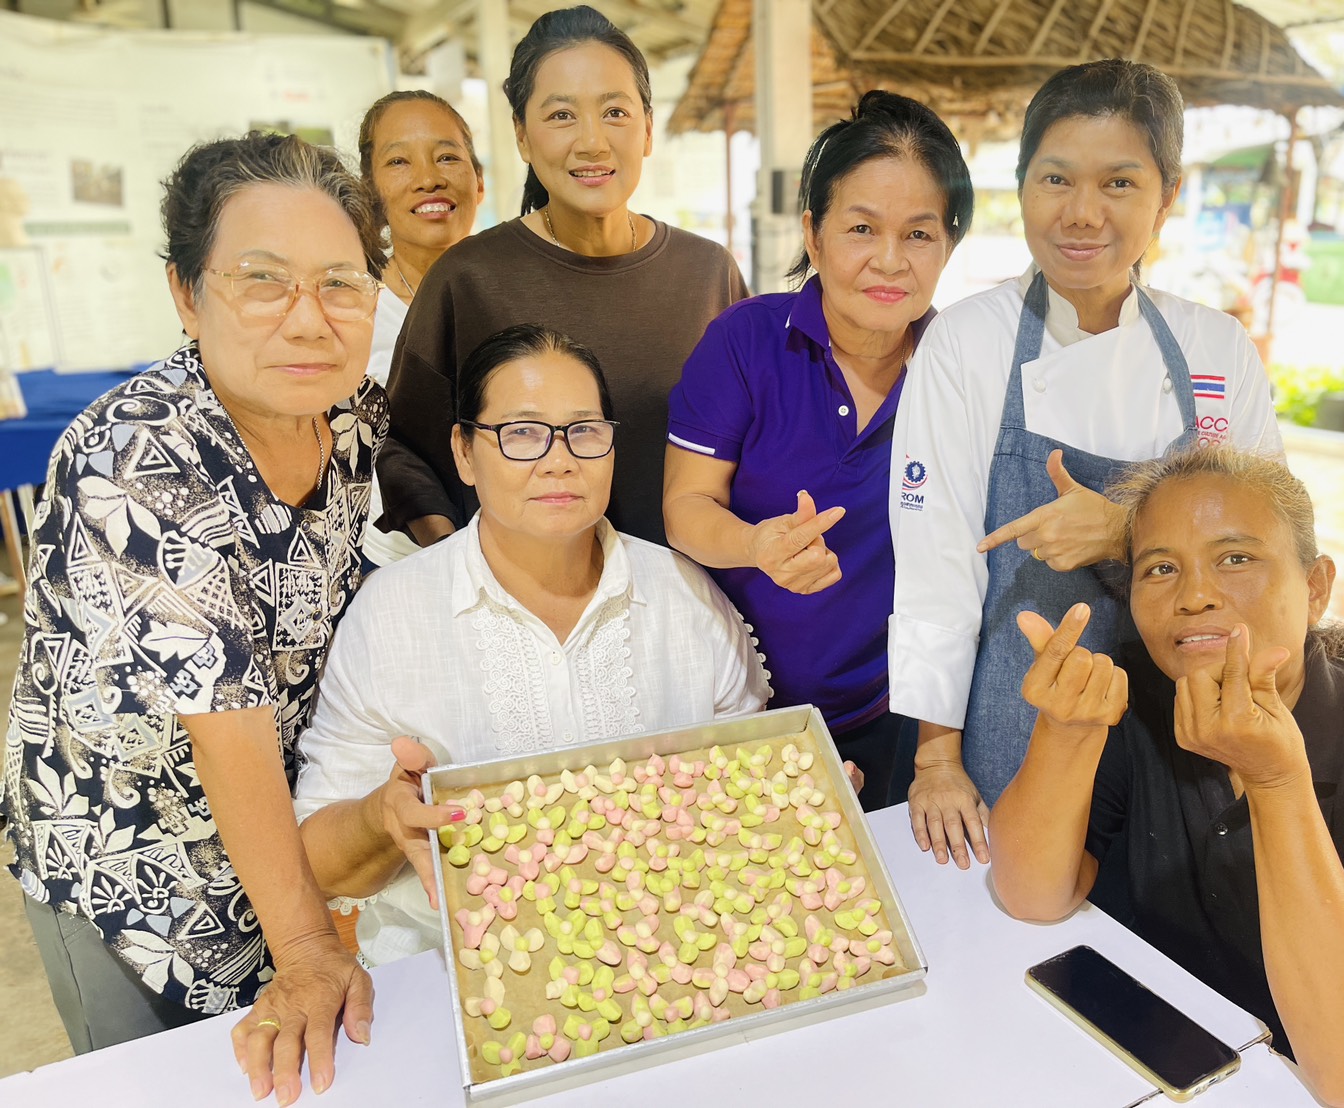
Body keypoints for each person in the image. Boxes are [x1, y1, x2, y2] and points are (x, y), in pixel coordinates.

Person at [1, 133, 387, 1105]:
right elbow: (225, 736)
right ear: (185, 292)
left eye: (340, 283)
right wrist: (303, 942)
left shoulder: (351, 415)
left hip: (273, 840)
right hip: (130, 872)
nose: (309, 320)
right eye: (263, 281)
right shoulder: (133, 460)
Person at [988, 446, 1344, 1107]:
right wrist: (1065, 732)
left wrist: (1274, 781)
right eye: (1159, 568)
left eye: (1235, 559)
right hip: (1202, 1068)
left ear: (1314, 587)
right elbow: (1030, 895)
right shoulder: (1142, 702)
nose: (1193, 596)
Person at [890, 59, 1283, 867]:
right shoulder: (969, 341)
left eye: (1118, 184)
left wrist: (1128, 532)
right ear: (1022, 183)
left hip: (1188, 719)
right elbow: (935, 560)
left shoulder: (1213, 347)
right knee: (1026, 923)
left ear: (1166, 197)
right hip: (1020, 714)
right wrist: (935, 757)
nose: (1080, 214)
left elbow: (1267, 544)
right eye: (1055, 178)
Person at [292, 323, 771, 963]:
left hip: (671, 960)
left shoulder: (685, 596)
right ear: (463, 451)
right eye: (520, 433)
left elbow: (744, 784)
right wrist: (384, 818)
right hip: (449, 969)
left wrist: (791, 800)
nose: (559, 459)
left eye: (585, 431)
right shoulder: (392, 616)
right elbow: (319, 865)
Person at [663, 92, 972, 811]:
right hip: (737, 711)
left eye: (919, 235)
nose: (889, 262)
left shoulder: (960, 367)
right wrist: (756, 544)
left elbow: (957, 565)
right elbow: (684, 507)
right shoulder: (745, 341)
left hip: (891, 711)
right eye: (861, 228)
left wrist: (936, 750)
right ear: (814, 230)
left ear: (948, 245)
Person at [378, 5, 747, 549]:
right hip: (521, 611)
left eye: (615, 112)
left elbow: (752, 436)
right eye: (561, 116)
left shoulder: (707, 273)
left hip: (690, 605)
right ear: (522, 138)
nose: (592, 141)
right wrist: (455, 559)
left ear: (648, 128)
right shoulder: (469, 279)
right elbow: (400, 445)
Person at [356, 90, 484, 568]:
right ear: (369, 192)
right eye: (399, 162)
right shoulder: (351, 310)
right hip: (388, 564)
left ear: (479, 181)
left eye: (448, 156)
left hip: (518, 561)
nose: (429, 179)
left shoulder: (521, 295)